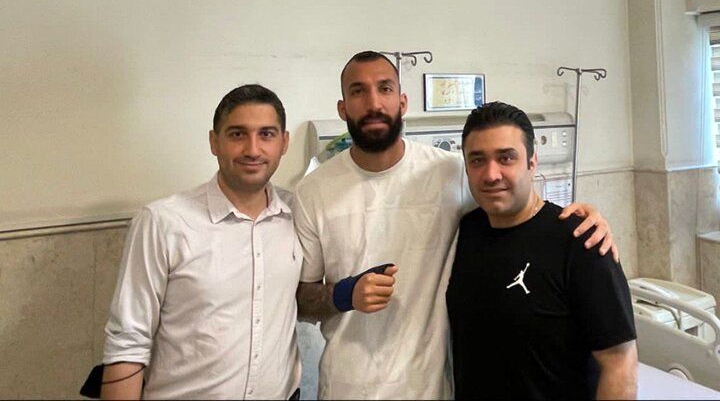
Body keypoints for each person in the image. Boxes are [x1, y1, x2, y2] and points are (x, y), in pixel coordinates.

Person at [293, 51, 618, 399]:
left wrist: (580, 220)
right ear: (343, 108)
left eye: (385, 88)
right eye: (358, 91)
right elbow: (301, 299)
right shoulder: (313, 191)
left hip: (432, 389)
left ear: (402, 102)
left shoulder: (451, 172)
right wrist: (345, 294)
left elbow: (517, 206)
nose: (374, 103)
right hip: (347, 387)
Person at [101, 85, 301, 400]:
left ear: (284, 142)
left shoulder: (297, 215)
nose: (252, 149)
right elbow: (128, 341)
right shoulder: (163, 222)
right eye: (237, 134)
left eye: (266, 134)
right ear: (214, 142)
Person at [447, 102, 637, 399]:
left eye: (506, 158)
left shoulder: (580, 241)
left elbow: (620, 363)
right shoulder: (464, 232)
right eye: (478, 160)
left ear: (532, 162)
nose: (491, 174)